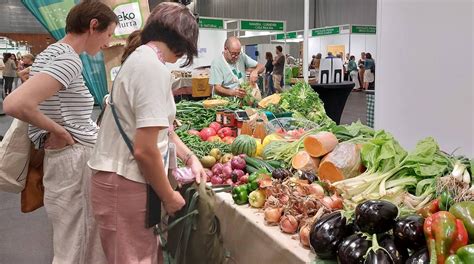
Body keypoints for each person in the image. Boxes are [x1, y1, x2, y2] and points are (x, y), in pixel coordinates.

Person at [87, 2, 203, 263]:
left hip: (125, 181)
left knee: (142, 255)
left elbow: (164, 132)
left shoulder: (142, 60)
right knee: (134, 258)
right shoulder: (151, 69)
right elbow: (145, 149)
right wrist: (169, 195)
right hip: (125, 183)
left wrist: (190, 158)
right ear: (183, 42)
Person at [3, 2, 118, 263]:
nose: (107, 44)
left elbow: (39, 93)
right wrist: (60, 131)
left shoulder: (50, 53)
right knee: (79, 242)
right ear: (93, 26)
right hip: (73, 160)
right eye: (108, 35)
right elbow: (14, 104)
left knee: (72, 239)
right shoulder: (68, 60)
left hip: (65, 160)